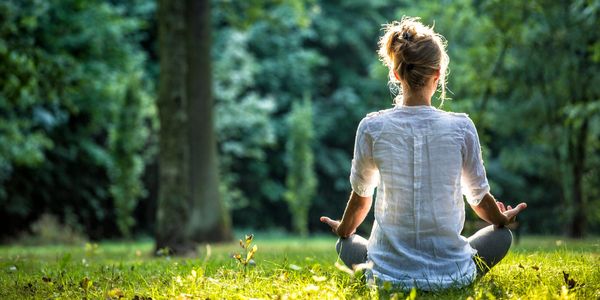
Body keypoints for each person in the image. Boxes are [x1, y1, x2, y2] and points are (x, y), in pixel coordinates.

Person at [319, 17, 527, 291]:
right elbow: (478, 198)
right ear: (438, 74)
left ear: (396, 74)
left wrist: (344, 229)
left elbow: (361, 200)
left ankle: (384, 271)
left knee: (344, 243)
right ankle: (453, 278)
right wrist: (501, 219)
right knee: (501, 238)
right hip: (451, 274)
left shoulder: (371, 127)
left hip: (386, 278)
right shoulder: (461, 127)